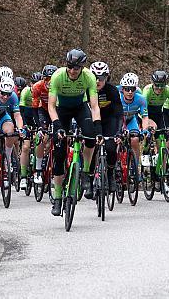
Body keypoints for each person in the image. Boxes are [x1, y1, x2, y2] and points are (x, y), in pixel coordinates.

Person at [48, 49, 101, 215]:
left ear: (82, 68)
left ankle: (85, 173)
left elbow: (94, 106)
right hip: (61, 110)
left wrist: (98, 128)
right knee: (59, 155)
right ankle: (57, 198)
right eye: (70, 66)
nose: (72, 70)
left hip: (80, 108)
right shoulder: (57, 76)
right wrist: (57, 126)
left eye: (76, 68)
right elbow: (51, 106)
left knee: (91, 138)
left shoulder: (89, 77)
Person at [91, 61, 123, 192]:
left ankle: (110, 175)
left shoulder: (112, 91)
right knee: (90, 147)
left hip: (109, 121)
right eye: (95, 78)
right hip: (93, 121)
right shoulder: (87, 91)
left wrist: (119, 132)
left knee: (111, 147)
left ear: (107, 78)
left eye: (102, 78)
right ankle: (89, 176)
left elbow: (119, 114)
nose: (98, 81)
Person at [119, 72, 147, 179]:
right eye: (127, 89)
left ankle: (136, 168)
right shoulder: (117, 96)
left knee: (135, 139)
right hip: (118, 120)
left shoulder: (141, 99)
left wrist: (144, 131)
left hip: (131, 120)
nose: (130, 92)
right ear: (122, 89)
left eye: (133, 89)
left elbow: (145, 117)